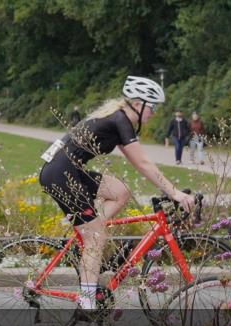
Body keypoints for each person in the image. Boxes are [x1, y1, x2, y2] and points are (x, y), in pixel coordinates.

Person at [38, 76, 195, 313]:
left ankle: (86, 237)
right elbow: (142, 163)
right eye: (151, 107)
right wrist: (175, 193)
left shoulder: (117, 119)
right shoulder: (119, 120)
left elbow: (139, 163)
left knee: (120, 192)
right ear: (138, 104)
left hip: (68, 171)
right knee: (96, 237)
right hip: (62, 175)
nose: (153, 112)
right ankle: (87, 299)